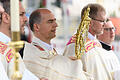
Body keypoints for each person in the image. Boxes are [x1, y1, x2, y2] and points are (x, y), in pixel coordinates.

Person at [23, 8, 93, 80]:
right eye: (50, 22)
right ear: (37, 27)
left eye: (55, 21)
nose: (56, 25)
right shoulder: (30, 55)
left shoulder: (53, 53)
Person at [63, 3, 117, 80]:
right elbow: (70, 75)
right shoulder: (76, 45)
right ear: (90, 22)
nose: (104, 25)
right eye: (102, 21)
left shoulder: (96, 43)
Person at [0, 0, 43, 80]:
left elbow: (24, 75)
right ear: (6, 17)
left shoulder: (10, 47)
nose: (26, 19)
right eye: (21, 14)